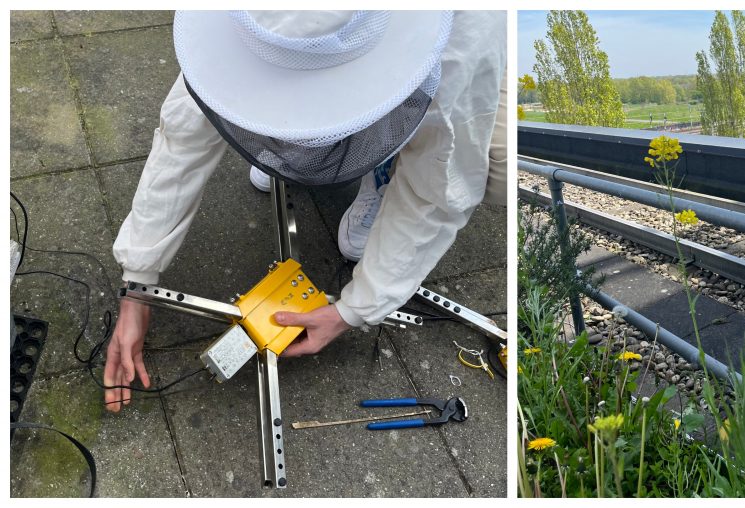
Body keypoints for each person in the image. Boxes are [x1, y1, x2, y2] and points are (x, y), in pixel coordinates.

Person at [103, 10, 506, 411]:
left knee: (497, 173)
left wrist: (355, 310)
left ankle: (383, 166)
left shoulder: (459, 43)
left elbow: (440, 190)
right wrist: (137, 283)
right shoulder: (231, 20)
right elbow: (183, 134)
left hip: (466, 59)